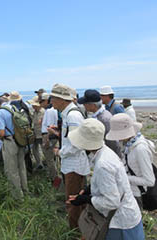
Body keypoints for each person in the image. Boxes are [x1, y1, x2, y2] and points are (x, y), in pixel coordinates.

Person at [67, 118, 145, 240]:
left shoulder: (103, 165)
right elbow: (112, 182)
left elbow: (112, 202)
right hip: (126, 215)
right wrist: (89, 190)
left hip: (120, 222)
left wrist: (86, 199)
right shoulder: (105, 151)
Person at [49, 83, 90, 230]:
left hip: (74, 166)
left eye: (53, 98)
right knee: (74, 200)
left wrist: (60, 152)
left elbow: (76, 144)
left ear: (62, 99)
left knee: (73, 201)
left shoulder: (73, 115)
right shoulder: (68, 114)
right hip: (71, 164)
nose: (51, 101)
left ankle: (76, 231)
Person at [106, 113, 155, 210]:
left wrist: (124, 177)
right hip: (128, 189)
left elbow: (149, 181)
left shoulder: (140, 149)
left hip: (136, 193)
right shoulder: (128, 143)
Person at [0, 94, 29, 199]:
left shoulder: (0, 112)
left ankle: (17, 196)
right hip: (20, 140)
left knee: (12, 170)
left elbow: (2, 133)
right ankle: (25, 190)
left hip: (9, 141)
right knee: (21, 167)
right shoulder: (14, 108)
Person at [78, 89, 121, 157]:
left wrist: (113, 157)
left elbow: (112, 142)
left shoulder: (104, 119)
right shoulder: (98, 115)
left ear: (93, 105)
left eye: (85, 103)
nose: (83, 105)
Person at [39, 93, 59, 183]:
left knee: (49, 159)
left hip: (49, 136)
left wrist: (46, 140)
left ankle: (54, 178)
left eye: (41, 101)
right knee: (52, 158)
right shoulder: (53, 110)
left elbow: (49, 127)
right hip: (52, 135)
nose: (40, 103)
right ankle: (55, 177)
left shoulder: (50, 111)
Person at [30, 96, 45, 170]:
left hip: (41, 134)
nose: (32, 106)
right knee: (34, 149)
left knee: (43, 149)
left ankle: (45, 163)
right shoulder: (34, 112)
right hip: (35, 133)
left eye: (34, 105)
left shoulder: (43, 111)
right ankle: (39, 163)